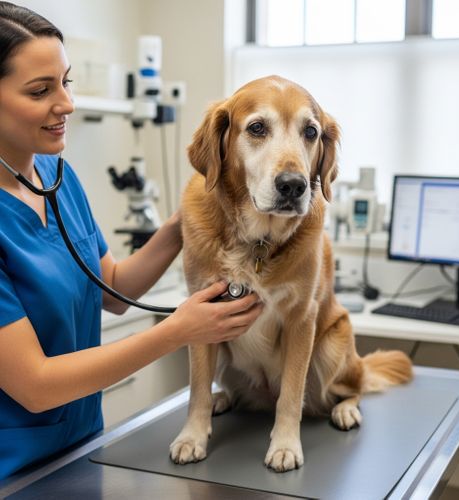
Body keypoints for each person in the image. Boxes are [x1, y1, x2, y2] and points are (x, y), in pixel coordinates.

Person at [0, 1, 264, 480]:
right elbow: (35, 385)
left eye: (66, 81)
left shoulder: (57, 177)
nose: (66, 104)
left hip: (81, 447)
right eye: (40, 90)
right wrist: (178, 330)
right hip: (13, 472)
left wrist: (194, 215)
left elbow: (113, 289)